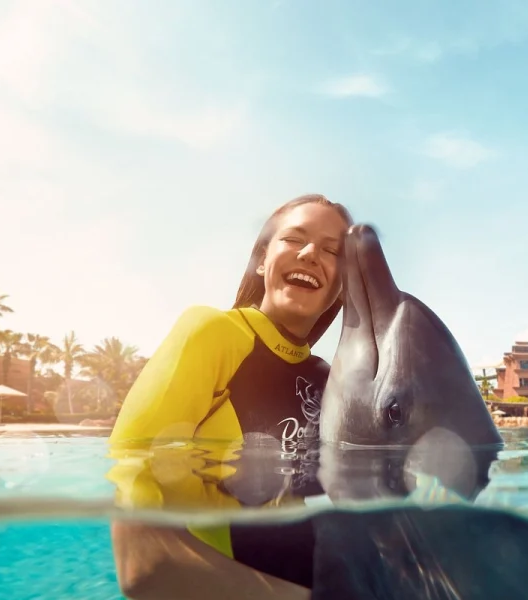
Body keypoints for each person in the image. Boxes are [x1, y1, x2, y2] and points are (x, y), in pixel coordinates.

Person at [106, 194, 353, 600]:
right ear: (262, 260)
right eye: (294, 239)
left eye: (332, 251)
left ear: (341, 286)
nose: (310, 254)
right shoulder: (212, 332)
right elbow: (141, 558)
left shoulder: (330, 381)